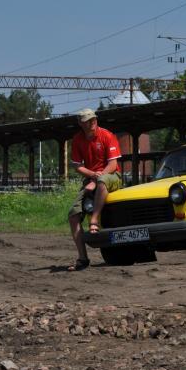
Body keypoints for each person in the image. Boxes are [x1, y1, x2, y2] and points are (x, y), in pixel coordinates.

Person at [67, 108, 122, 271]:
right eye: (87, 120)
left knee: (103, 181)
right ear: (80, 123)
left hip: (111, 175)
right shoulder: (77, 139)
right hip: (92, 178)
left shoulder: (107, 135)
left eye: (93, 119)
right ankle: (82, 258)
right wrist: (92, 176)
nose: (92, 122)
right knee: (73, 215)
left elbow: (113, 164)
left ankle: (94, 220)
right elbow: (78, 166)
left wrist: (97, 179)